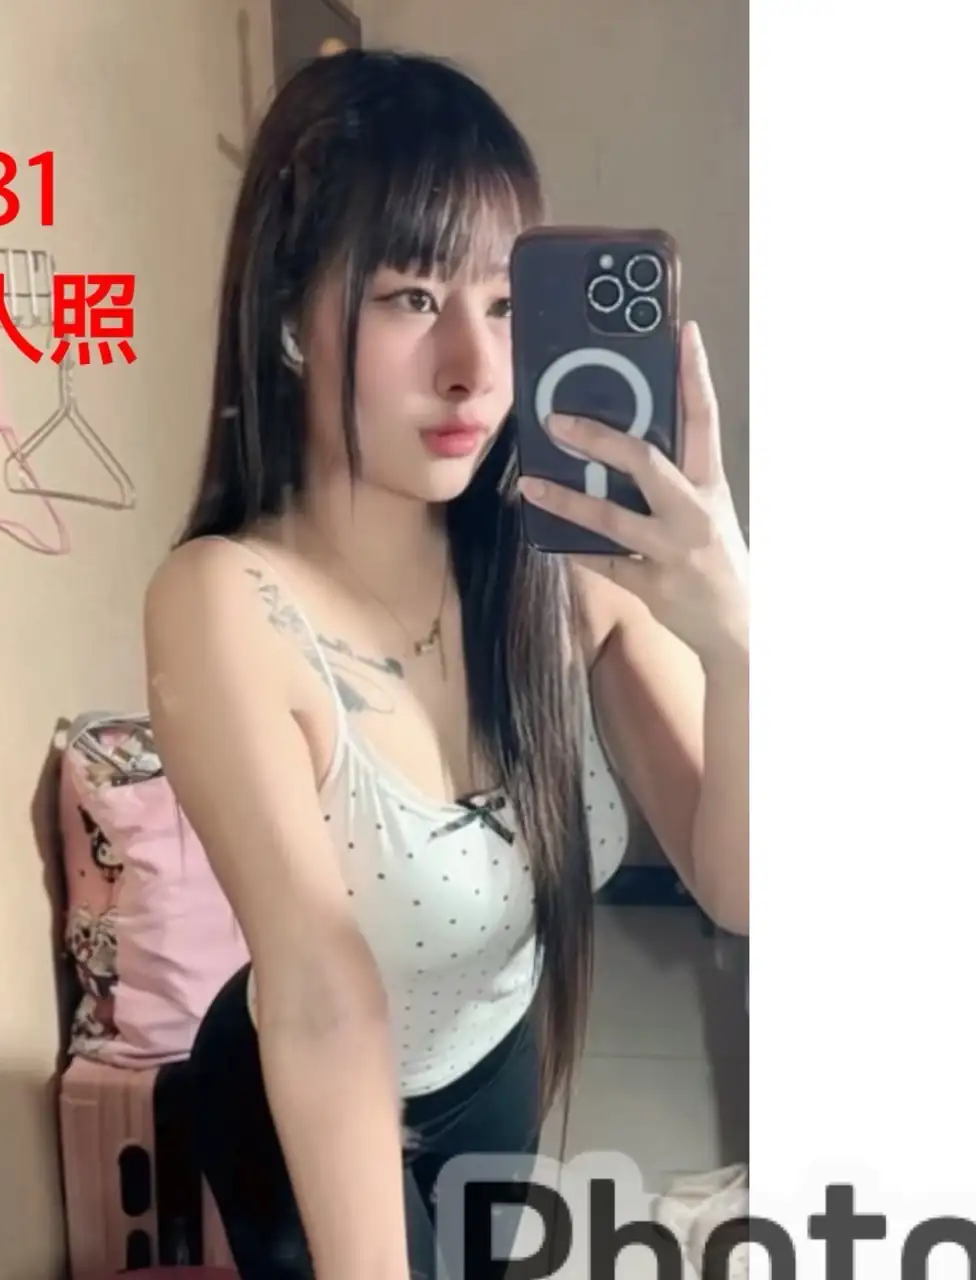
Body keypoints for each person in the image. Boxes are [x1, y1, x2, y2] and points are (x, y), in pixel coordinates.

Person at [143, 47, 749, 1280]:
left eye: (504, 303)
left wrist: (735, 636)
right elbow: (323, 995)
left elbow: (737, 887)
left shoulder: (562, 562)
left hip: (495, 1060)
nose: (473, 365)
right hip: (298, 1100)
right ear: (290, 316)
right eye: (412, 297)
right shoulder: (225, 603)